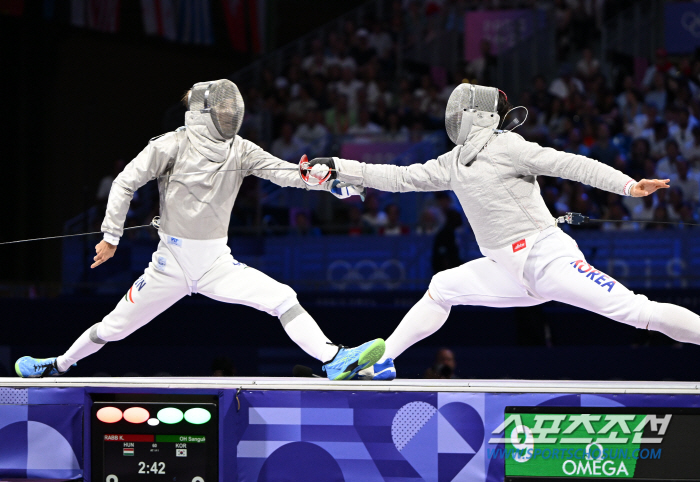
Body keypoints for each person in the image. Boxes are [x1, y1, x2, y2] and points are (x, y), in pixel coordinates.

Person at [307, 82, 700, 381]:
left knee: (637, 311)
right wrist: (341, 168)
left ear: (480, 116)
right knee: (442, 287)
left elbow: (570, 164)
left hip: (548, 260)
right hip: (508, 271)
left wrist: (629, 185)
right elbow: (398, 176)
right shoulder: (452, 162)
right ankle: (382, 361)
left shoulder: (508, 145)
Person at [15, 79, 384, 381]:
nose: (230, 116)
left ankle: (333, 358)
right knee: (112, 327)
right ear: (205, 113)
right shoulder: (171, 144)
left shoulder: (240, 149)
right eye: (223, 111)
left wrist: (328, 183)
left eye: (232, 111)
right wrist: (112, 235)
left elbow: (286, 173)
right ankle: (57, 364)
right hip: (169, 264)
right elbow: (125, 182)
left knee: (282, 297)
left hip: (215, 264)